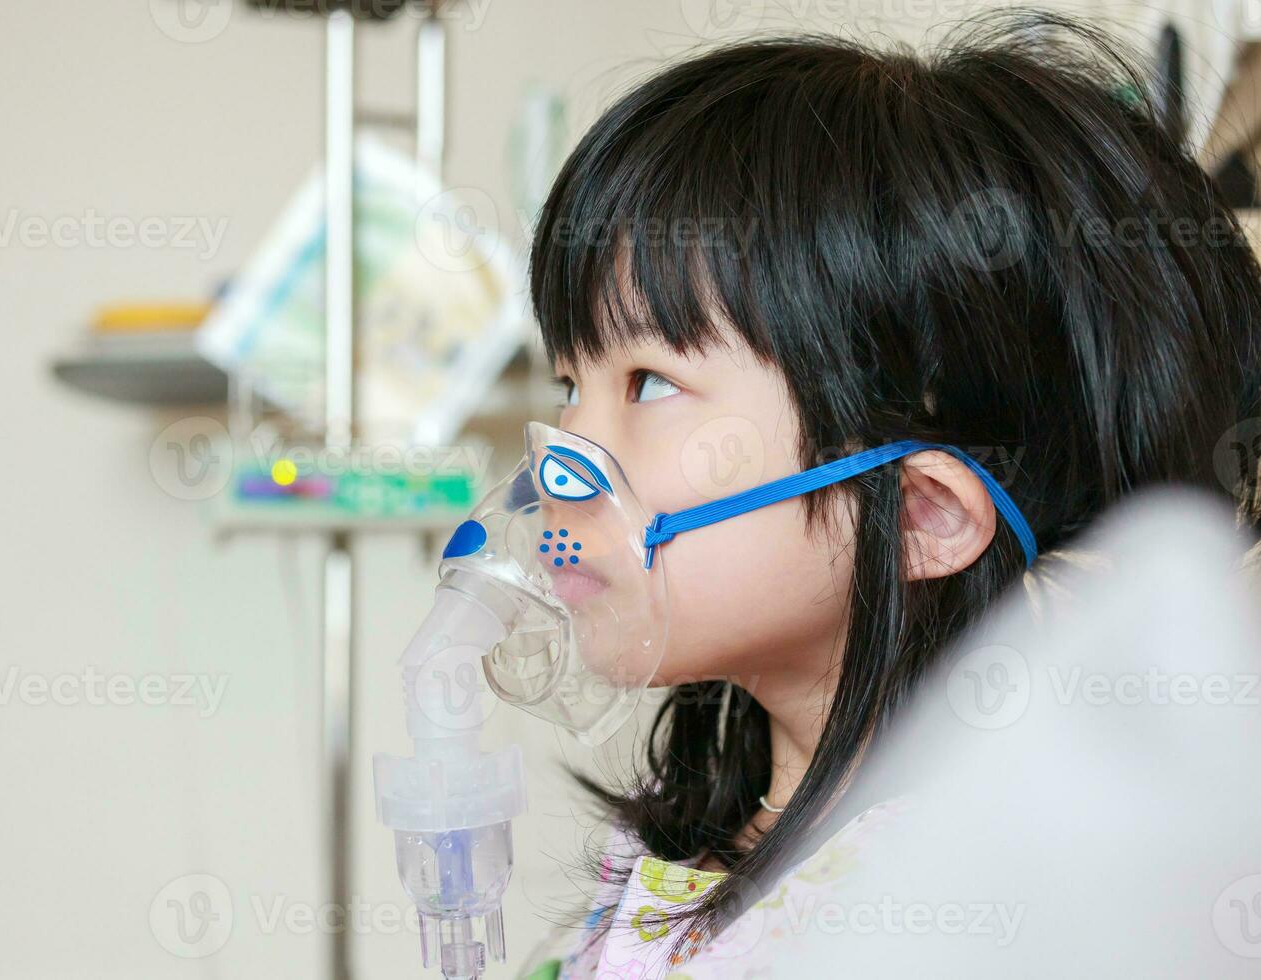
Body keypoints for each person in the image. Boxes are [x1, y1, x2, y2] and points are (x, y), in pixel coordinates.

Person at [515, 11, 1261, 978]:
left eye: (651, 385)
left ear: (922, 512)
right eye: (570, 384)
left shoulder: (972, 906)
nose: (559, 463)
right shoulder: (701, 820)